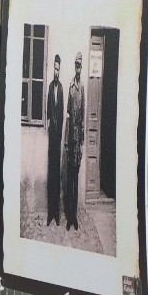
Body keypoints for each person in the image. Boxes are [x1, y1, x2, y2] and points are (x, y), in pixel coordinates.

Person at [64, 51, 85, 231]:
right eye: (76, 65)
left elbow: (83, 116)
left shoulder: (83, 88)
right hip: (70, 139)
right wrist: (66, 142)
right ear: (74, 67)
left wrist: (83, 143)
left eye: (80, 65)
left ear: (82, 67)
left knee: (76, 180)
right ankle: (69, 217)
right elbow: (68, 116)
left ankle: (75, 217)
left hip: (78, 141)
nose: (78, 68)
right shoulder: (70, 87)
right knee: (69, 178)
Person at [46, 54, 64, 226]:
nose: (56, 71)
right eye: (54, 68)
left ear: (60, 69)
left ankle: (57, 214)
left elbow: (62, 115)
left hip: (58, 139)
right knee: (50, 172)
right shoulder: (50, 88)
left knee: (57, 174)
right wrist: (51, 130)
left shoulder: (62, 88)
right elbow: (48, 113)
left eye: (58, 69)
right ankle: (50, 214)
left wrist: (59, 136)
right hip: (51, 138)